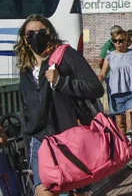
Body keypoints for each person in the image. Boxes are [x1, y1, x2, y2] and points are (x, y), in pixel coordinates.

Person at [16, 14, 104, 196]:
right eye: (30, 33)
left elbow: (96, 88)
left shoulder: (66, 55)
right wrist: (27, 145)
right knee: (45, 192)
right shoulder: (25, 69)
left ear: (50, 34)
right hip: (40, 141)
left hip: (69, 138)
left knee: (78, 192)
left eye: (41, 31)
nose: (36, 35)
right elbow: (26, 110)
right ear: (25, 39)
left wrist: (61, 82)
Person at [98, 30, 132, 137]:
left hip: (131, 92)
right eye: (115, 41)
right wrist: (96, 83)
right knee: (120, 123)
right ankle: (123, 147)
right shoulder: (110, 55)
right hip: (116, 94)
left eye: (121, 40)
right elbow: (102, 73)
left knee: (131, 123)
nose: (118, 43)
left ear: (126, 41)